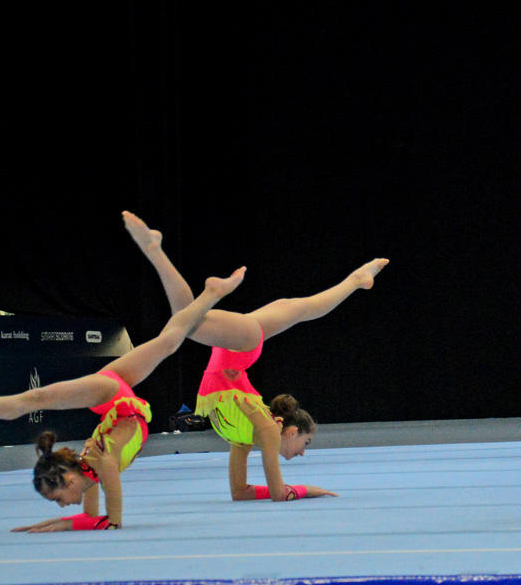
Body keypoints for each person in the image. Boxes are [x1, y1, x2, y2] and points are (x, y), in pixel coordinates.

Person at [0, 272, 243, 530]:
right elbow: (94, 517)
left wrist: (69, 523)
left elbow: (110, 522)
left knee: (31, 399)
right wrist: (62, 524)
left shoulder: (102, 462)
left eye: (57, 499)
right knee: (170, 341)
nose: (61, 506)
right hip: (116, 398)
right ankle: (211, 294)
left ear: (69, 479)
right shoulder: (90, 468)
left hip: (111, 396)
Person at [123, 211, 387, 501]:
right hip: (242, 348)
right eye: (306, 443)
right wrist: (309, 490)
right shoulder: (266, 430)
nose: (302, 453)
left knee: (300, 309)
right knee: (189, 320)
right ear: (291, 431)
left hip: (237, 350)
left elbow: (240, 492)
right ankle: (156, 252)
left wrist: (299, 490)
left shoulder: (243, 436)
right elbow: (278, 493)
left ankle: (356, 279)